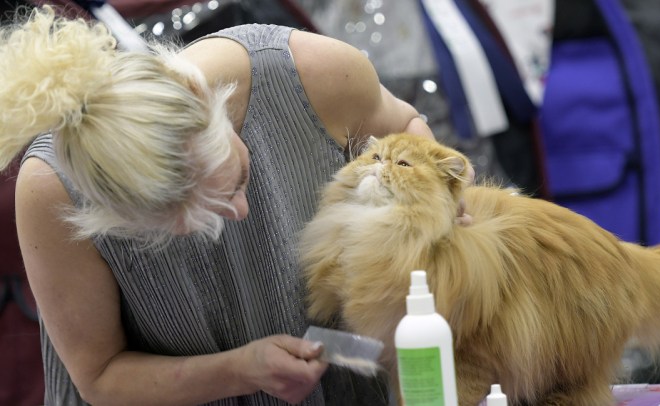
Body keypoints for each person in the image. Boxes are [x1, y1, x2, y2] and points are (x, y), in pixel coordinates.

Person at [0, 5, 434, 405]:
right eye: (180, 227)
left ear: (198, 91)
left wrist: (444, 197)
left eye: (238, 179)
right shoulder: (52, 191)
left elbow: (407, 127)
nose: (241, 212)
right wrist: (240, 372)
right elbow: (99, 375)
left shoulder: (314, 71)